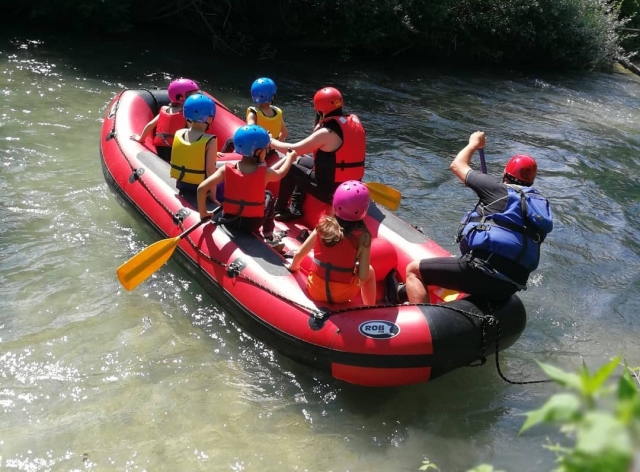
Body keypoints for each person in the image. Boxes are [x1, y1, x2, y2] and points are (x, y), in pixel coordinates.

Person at [390, 131, 553, 304]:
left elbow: (457, 165)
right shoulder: (539, 205)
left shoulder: (497, 189)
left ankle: (421, 320)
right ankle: (404, 293)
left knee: (413, 270)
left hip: (482, 271)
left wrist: (473, 143)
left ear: (505, 175)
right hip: (511, 285)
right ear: (531, 182)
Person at [269, 87, 366, 222]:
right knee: (303, 161)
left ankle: (279, 209)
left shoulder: (326, 132)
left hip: (331, 191)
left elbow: (293, 150)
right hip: (350, 183)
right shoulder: (354, 122)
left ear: (320, 108)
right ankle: (295, 207)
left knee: (290, 168)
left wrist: (270, 141)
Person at [197, 125, 297, 247]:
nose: (267, 151)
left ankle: (267, 235)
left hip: (229, 219)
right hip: (252, 224)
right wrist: (290, 159)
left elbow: (201, 189)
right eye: (266, 149)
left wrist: (204, 213)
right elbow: (281, 173)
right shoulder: (266, 173)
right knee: (268, 196)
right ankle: (268, 235)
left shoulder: (225, 170)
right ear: (258, 152)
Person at [286, 180, 376, 305]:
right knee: (370, 271)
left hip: (315, 291)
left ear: (335, 203)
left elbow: (299, 255)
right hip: (343, 295)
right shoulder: (364, 237)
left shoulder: (323, 226)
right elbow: (363, 276)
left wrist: (293, 268)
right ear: (364, 210)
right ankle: (369, 309)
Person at [131, 78, 200, 161]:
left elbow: (150, 125)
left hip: (160, 149)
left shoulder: (164, 110)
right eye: (194, 96)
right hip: (177, 150)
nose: (197, 99)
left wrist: (141, 139)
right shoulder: (187, 114)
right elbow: (193, 133)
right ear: (181, 98)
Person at [170, 93, 218, 195]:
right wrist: (213, 195)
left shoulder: (179, 133)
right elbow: (210, 171)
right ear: (209, 119)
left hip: (181, 184)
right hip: (200, 188)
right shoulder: (210, 141)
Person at [246, 77, 288, 141]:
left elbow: (250, 133)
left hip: (260, 149)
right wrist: (279, 139)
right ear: (272, 97)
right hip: (273, 148)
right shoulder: (277, 112)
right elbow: (284, 133)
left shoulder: (253, 114)